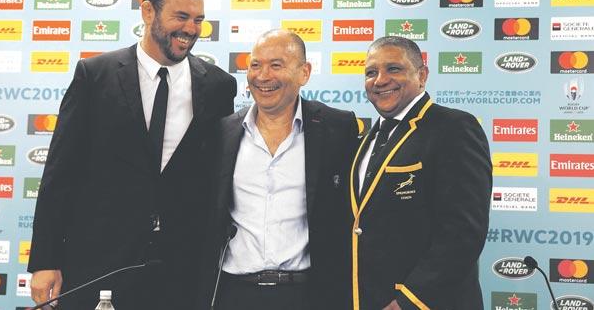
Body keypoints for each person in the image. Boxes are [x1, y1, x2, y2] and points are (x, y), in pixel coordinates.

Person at [28, 0, 236, 309]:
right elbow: (60, 173)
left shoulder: (218, 86)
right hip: (98, 264)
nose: (191, 29)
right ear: (148, 11)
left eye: (199, 19)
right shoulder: (94, 76)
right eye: (181, 16)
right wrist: (44, 260)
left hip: (180, 271)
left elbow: (216, 178)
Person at [201, 29, 359, 310]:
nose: (263, 76)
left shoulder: (339, 128)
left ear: (304, 73)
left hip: (310, 295)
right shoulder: (222, 132)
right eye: (255, 65)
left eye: (276, 65)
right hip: (233, 294)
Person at [349, 36, 491, 310]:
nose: (380, 80)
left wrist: (409, 301)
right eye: (371, 72)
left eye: (394, 69)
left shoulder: (454, 128)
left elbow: (463, 233)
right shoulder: (367, 137)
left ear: (422, 75)